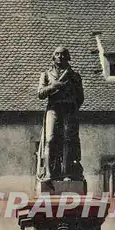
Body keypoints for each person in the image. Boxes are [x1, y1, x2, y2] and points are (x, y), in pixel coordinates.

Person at [37, 46, 84, 183]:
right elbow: (40, 93)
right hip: (53, 108)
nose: (60, 57)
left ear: (67, 57)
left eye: (63, 54)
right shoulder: (46, 75)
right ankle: (50, 172)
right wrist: (54, 86)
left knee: (68, 141)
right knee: (51, 139)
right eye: (57, 54)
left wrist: (71, 103)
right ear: (53, 57)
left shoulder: (74, 76)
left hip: (69, 109)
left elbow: (80, 98)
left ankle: (67, 173)